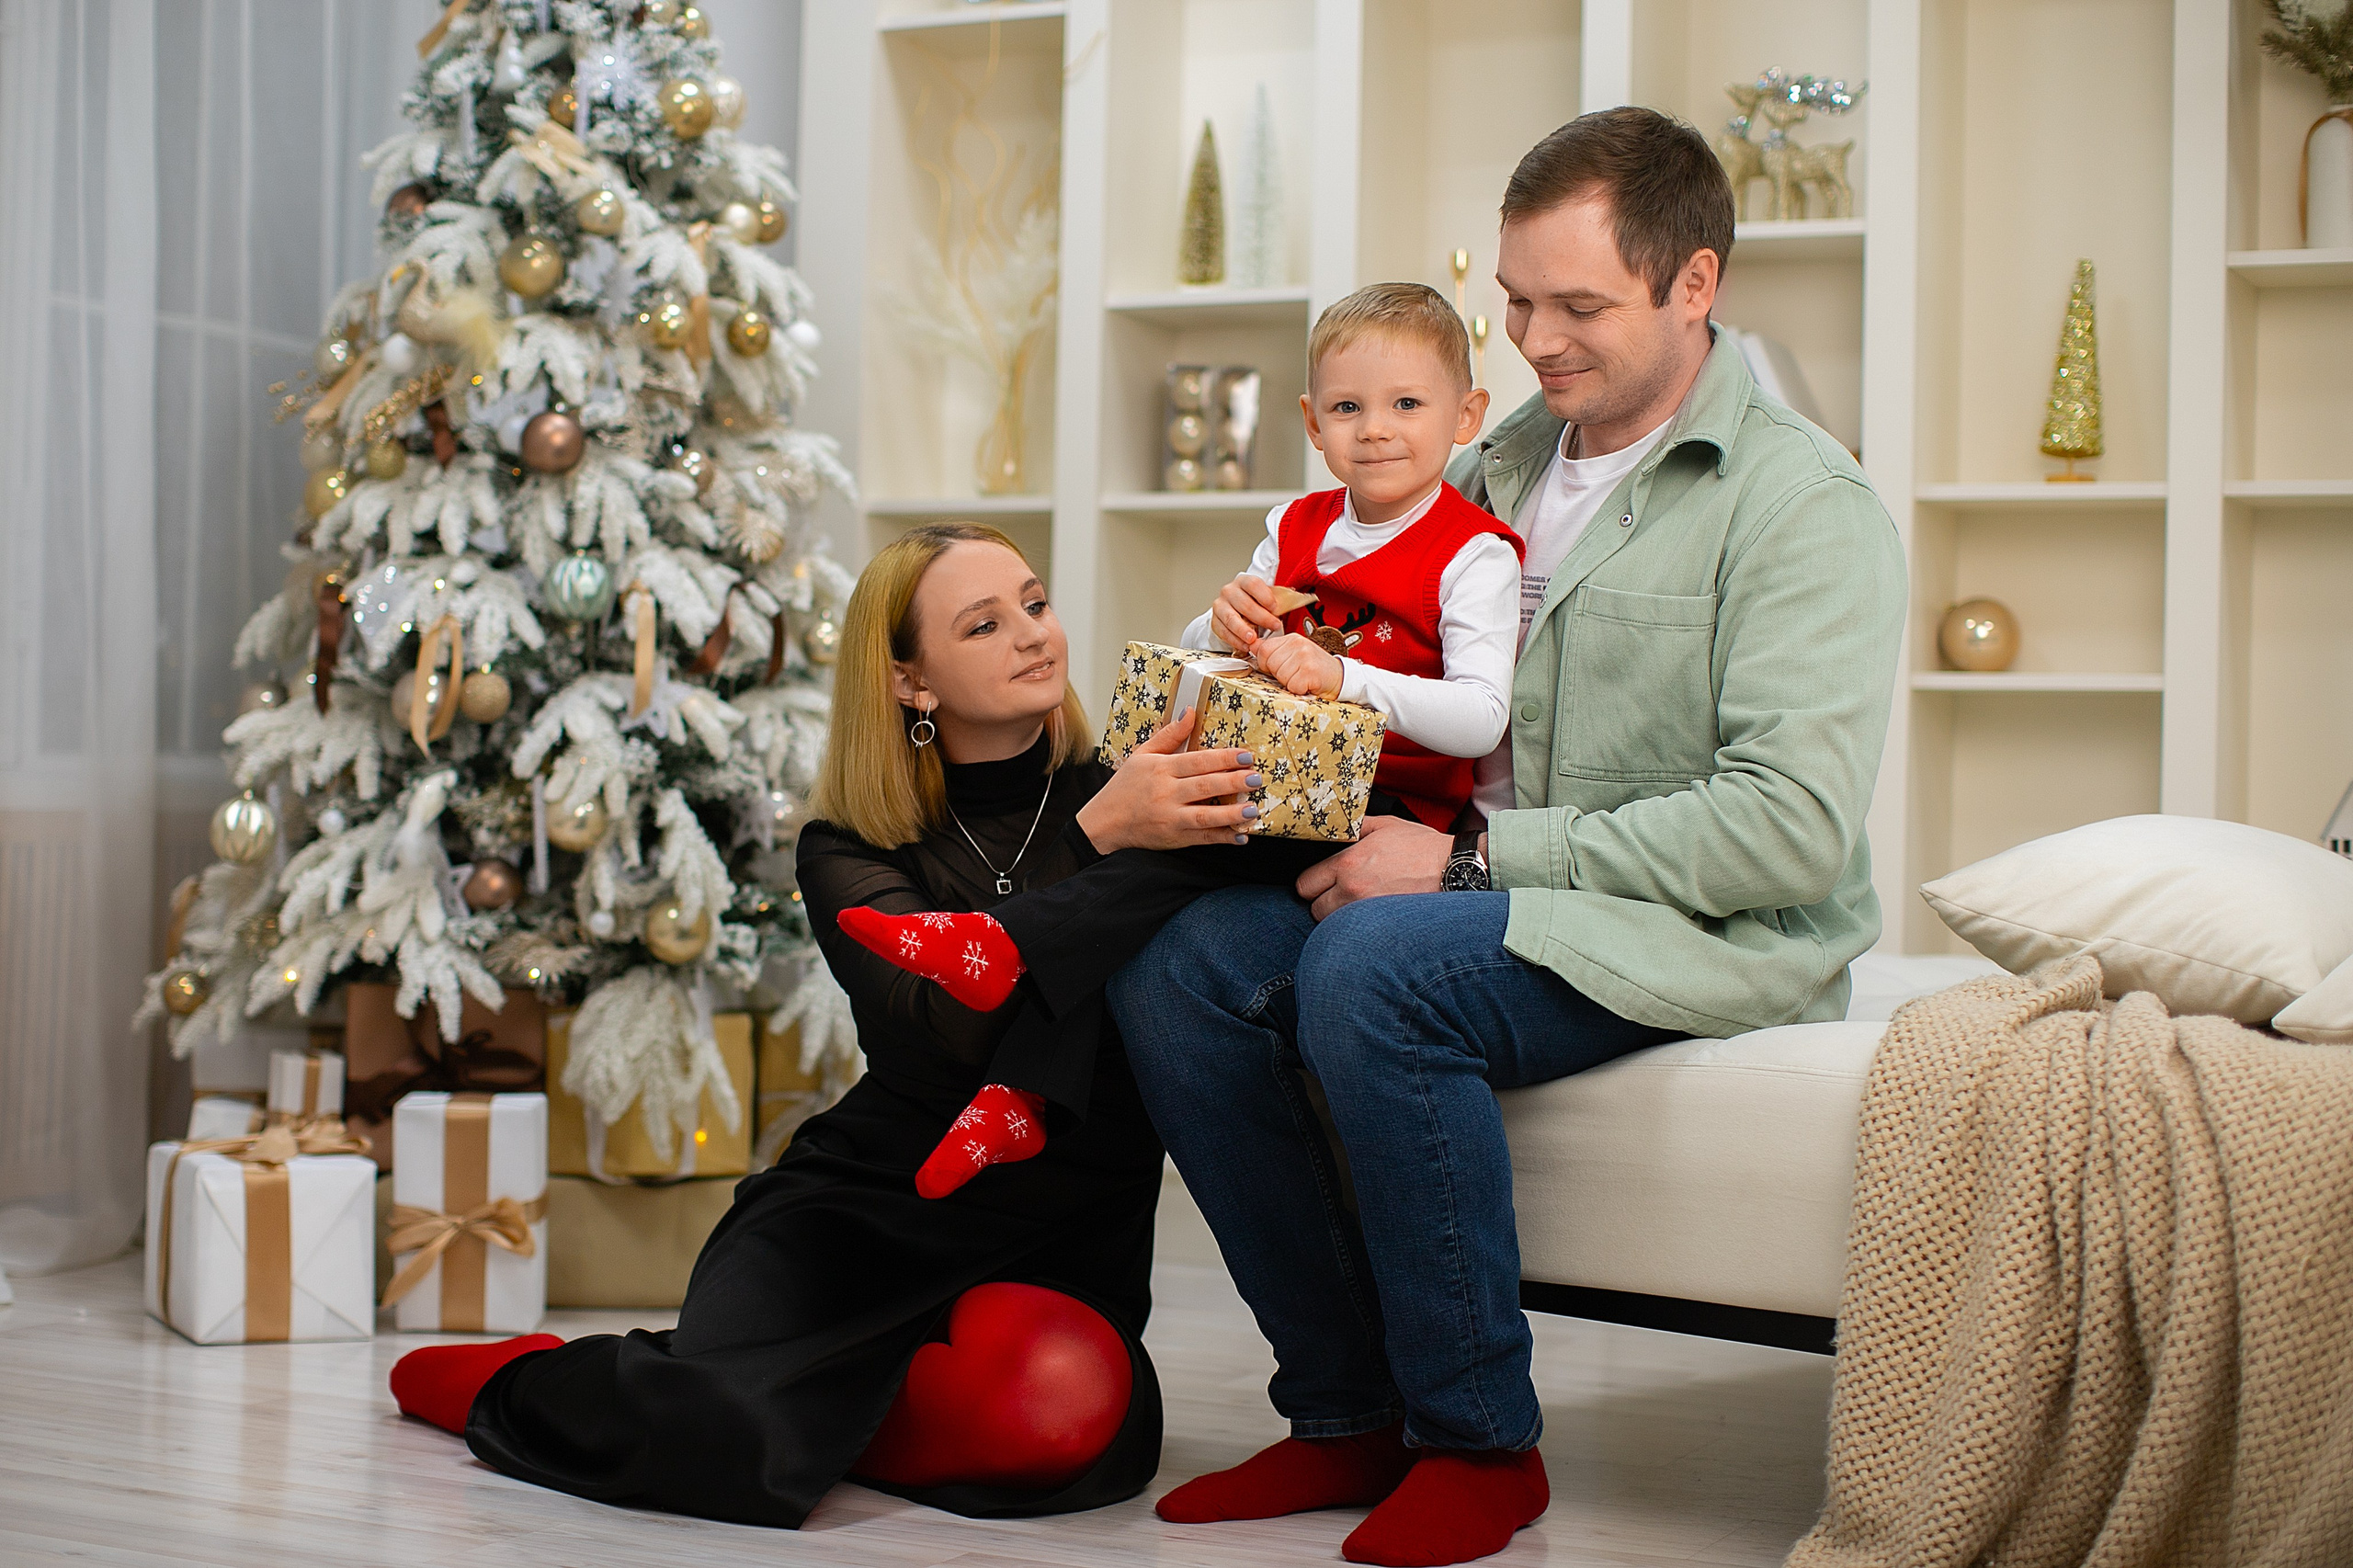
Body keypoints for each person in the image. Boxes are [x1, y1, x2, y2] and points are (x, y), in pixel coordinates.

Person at [1108, 107, 1907, 1568]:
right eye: (1520, 302)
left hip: (1690, 928)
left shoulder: (1803, 506)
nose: (1536, 340)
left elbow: (1787, 831)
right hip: (1450, 872)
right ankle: (1344, 1413)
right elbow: (1394, 678)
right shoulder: (1488, 456)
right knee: (1183, 965)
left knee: (1378, 971)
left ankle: (1481, 1442)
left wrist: (1474, 865)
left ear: (1694, 285)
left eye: (1579, 306)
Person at [383, 522, 1262, 1528]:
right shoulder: (849, 849)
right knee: (730, 1416)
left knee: (1059, 1413)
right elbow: (948, 1031)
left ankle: (792, 1414)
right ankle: (538, 1383)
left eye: (1034, 602)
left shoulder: (1138, 788)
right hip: (859, 1215)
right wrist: (1095, 840)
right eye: (983, 624)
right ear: (907, 682)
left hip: (1057, 1228)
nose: (1033, 635)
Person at [837, 282, 1522, 1199]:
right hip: (1277, 775)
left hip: (1384, 807)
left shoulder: (1473, 551)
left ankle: (1006, 968)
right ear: (1313, 423)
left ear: (1466, 415)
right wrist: (1219, 621)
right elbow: (1209, 646)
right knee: (1155, 883)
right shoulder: (1294, 525)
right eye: (1349, 408)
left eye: (1408, 404)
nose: (1377, 429)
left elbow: (1481, 716)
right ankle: (1020, 1088)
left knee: (1162, 865)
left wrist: (1346, 678)